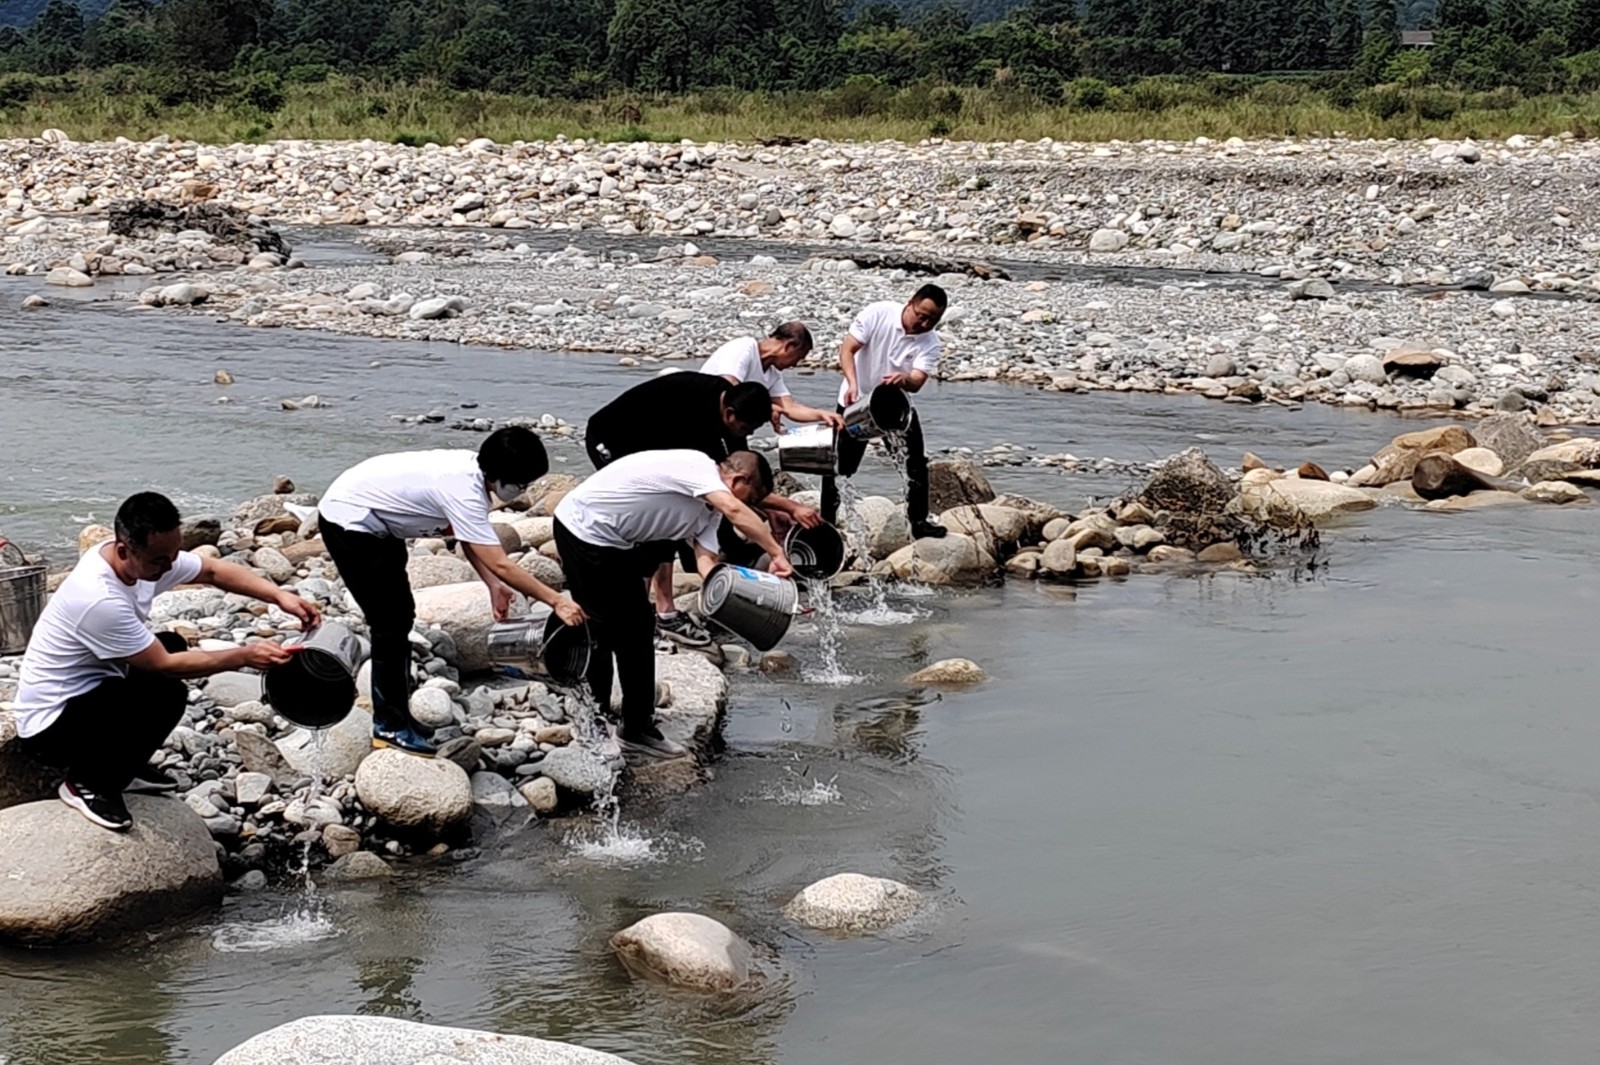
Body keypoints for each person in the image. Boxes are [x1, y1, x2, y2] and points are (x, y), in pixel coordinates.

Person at [14, 492, 322, 831]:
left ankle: (123, 765)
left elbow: (212, 570)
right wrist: (244, 656)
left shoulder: (141, 559)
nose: (169, 568)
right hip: (50, 728)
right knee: (166, 694)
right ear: (123, 550)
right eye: (159, 561)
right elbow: (164, 665)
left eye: (174, 556)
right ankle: (88, 783)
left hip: (90, 692)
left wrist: (279, 596)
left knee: (171, 643)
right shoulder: (98, 598)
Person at [318, 427, 584, 757]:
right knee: (389, 622)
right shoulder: (462, 488)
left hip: (381, 523)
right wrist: (557, 601)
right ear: (499, 476)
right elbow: (500, 562)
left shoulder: (476, 479)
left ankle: (399, 716)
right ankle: (389, 726)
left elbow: (470, 538)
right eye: (521, 484)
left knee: (400, 616)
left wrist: (493, 586)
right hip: (350, 521)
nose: (523, 490)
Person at [553, 449, 792, 763]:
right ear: (737, 480)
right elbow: (734, 509)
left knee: (638, 625)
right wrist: (776, 552)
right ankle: (593, 723)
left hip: (615, 542)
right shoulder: (697, 467)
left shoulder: (710, 513)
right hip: (583, 528)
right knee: (602, 627)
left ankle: (635, 728)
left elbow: (707, 564)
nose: (749, 507)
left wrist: (747, 594)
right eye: (752, 498)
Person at [585, 371, 818, 647]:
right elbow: (732, 496)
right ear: (730, 415)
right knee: (653, 534)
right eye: (747, 429)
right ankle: (645, 618)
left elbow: (742, 471)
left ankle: (659, 614)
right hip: (612, 439)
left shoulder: (731, 401)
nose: (748, 435)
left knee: (671, 529)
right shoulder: (695, 427)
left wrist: (771, 511)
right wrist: (783, 524)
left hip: (653, 446)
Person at [822, 284, 949, 541]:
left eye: (932, 320)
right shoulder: (878, 313)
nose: (924, 324)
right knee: (838, 465)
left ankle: (918, 521)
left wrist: (905, 379)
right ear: (910, 303)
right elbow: (847, 349)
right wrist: (852, 383)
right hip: (855, 400)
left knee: (915, 463)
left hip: (895, 404)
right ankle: (827, 522)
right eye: (921, 316)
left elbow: (917, 381)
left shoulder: (930, 342)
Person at [701, 322, 845, 432]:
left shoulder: (772, 373)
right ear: (789, 346)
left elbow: (789, 407)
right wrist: (767, 407)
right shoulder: (744, 347)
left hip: (730, 425)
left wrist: (821, 415)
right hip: (702, 414)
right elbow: (728, 387)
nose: (795, 364)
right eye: (798, 357)